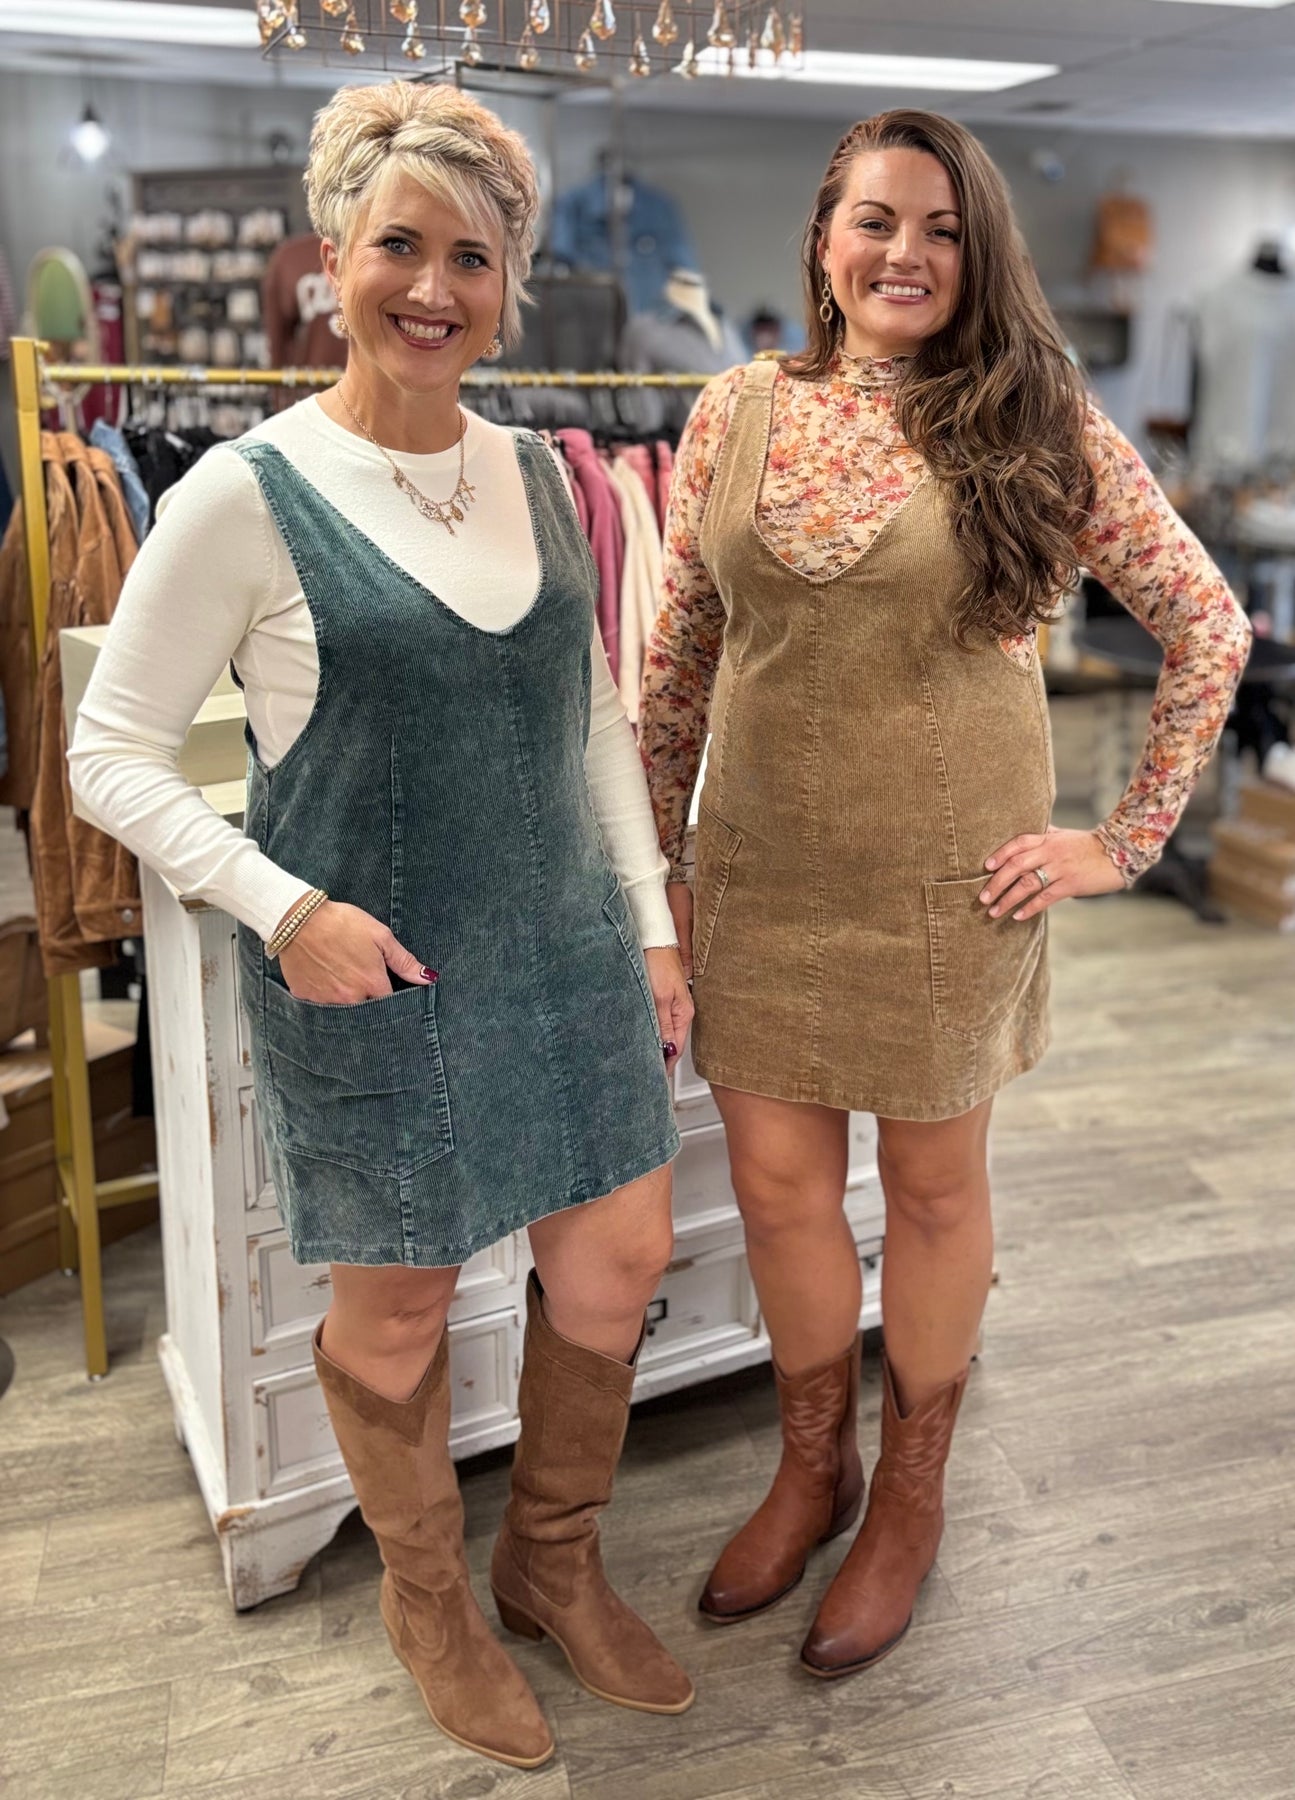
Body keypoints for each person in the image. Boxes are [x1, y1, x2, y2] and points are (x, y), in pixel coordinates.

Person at [69, 81, 695, 1770]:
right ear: (331, 256)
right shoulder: (244, 492)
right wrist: (284, 910)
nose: (433, 288)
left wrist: (649, 922)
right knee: (400, 1311)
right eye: (399, 246)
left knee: (619, 1259)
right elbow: (106, 754)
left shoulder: (542, 472)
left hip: (565, 949)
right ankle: (428, 1601)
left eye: (472, 258)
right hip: (383, 974)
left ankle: (550, 1562)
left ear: (511, 285)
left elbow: (590, 715)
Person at [639, 110, 1251, 1681]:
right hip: (761, 872)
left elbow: (1209, 625)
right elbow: (681, 657)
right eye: (875, 220)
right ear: (823, 241)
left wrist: (1122, 840)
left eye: (942, 229)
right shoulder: (736, 410)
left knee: (927, 1191)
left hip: (947, 889)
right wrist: (660, 875)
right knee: (779, 1189)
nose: (904, 253)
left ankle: (909, 1497)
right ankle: (814, 1468)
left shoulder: (1037, 419)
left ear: (980, 256)